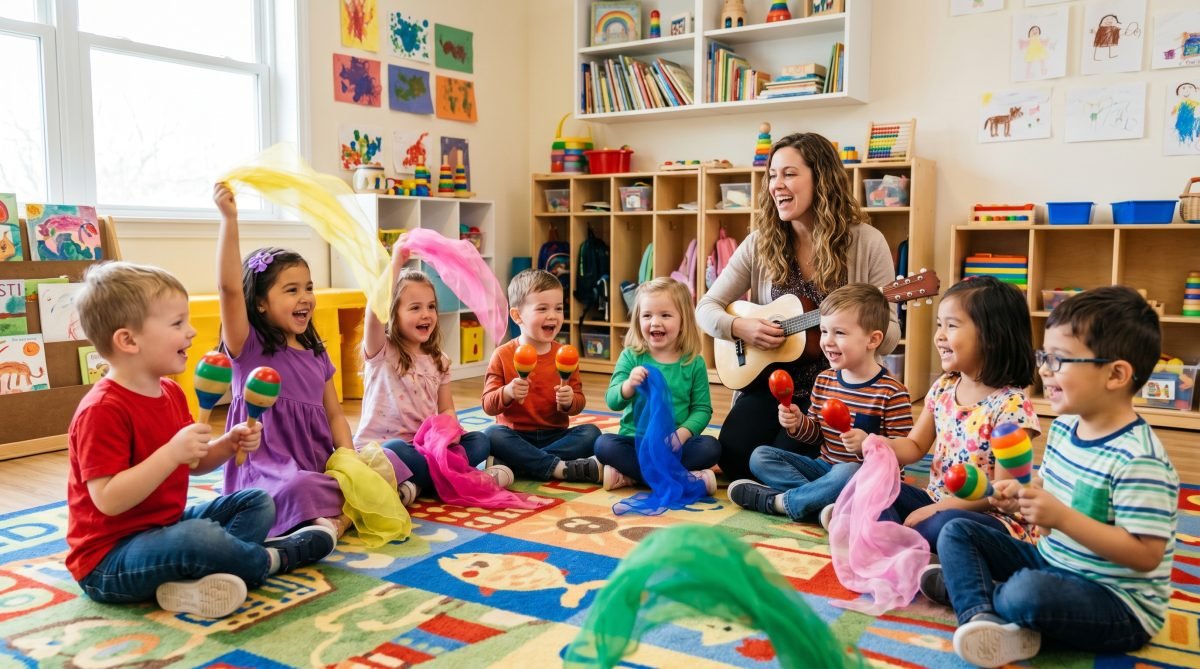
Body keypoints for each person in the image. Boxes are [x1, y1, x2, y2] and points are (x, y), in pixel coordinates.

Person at [67, 262, 336, 619]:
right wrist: (170, 453)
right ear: (128, 340)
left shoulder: (170, 392)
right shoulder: (102, 410)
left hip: (164, 526)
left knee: (257, 502)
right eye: (177, 324)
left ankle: (204, 575)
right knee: (196, 538)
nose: (191, 332)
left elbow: (194, 464)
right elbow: (109, 500)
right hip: (110, 560)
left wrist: (228, 443)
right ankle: (269, 559)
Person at [924, 287, 1176, 668]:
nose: (1043, 369)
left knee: (1024, 593)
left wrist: (1060, 517)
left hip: (1116, 603)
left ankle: (982, 594)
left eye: (1058, 360)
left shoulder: (1140, 458)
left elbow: (1145, 555)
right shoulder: (1064, 428)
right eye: (1044, 356)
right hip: (1054, 561)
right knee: (957, 530)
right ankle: (980, 615)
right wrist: (1023, 492)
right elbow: (1052, 487)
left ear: (1116, 374)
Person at [695, 132, 900, 480]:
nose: (777, 185)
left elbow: (891, 333)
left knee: (777, 462)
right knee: (733, 460)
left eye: (789, 174)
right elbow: (706, 306)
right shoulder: (761, 242)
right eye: (772, 175)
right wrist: (739, 327)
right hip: (773, 384)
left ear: (821, 178)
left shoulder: (867, 242)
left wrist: (858, 332)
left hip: (837, 389)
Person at [214, 182, 357, 538]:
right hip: (267, 472)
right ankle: (337, 517)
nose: (305, 297)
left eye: (308, 287)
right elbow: (229, 289)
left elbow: (335, 414)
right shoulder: (248, 345)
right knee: (293, 490)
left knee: (388, 462)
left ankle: (334, 517)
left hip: (316, 466)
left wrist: (351, 463)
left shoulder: (316, 352)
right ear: (260, 302)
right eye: (291, 290)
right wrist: (229, 219)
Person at [726, 283, 912, 525]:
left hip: (865, 479)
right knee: (760, 457)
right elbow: (816, 435)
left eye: (840, 333)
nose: (827, 342)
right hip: (823, 467)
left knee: (849, 470)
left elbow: (904, 454)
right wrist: (797, 423)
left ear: (873, 339)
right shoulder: (824, 380)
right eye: (824, 331)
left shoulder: (892, 392)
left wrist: (869, 444)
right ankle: (822, 503)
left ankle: (781, 503)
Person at [878, 276, 1040, 550]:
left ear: (992, 337)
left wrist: (934, 511)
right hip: (937, 500)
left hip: (990, 518)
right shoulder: (944, 386)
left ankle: (903, 539)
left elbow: (1002, 493)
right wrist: (881, 446)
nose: (939, 335)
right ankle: (906, 540)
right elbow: (916, 445)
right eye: (939, 325)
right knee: (877, 492)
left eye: (951, 326)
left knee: (947, 526)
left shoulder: (1012, 406)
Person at [354, 239, 505, 504]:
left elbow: (445, 409)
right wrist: (396, 263)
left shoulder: (439, 361)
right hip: (384, 449)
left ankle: (418, 484)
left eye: (431, 306)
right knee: (394, 451)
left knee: (480, 441)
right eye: (415, 308)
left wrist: (450, 434)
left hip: (426, 449)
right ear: (392, 313)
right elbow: (373, 313)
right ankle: (451, 478)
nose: (426, 314)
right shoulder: (382, 352)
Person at [595, 278, 720, 493]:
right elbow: (612, 400)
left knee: (711, 447)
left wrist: (682, 434)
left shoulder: (693, 363)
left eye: (665, 315)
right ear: (637, 321)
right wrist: (628, 386)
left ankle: (631, 476)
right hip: (635, 441)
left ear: (683, 321)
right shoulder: (631, 357)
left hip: (673, 444)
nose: (655, 322)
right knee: (603, 444)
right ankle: (684, 478)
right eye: (647, 315)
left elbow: (702, 409)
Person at [483, 269, 601, 482]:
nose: (553, 316)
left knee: (592, 434)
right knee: (492, 435)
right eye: (542, 308)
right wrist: (507, 392)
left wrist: (569, 402)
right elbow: (488, 405)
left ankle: (520, 464)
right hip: (516, 435)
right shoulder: (502, 355)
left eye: (558, 308)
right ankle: (560, 468)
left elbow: (579, 402)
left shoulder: (565, 354)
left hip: (556, 435)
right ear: (517, 315)